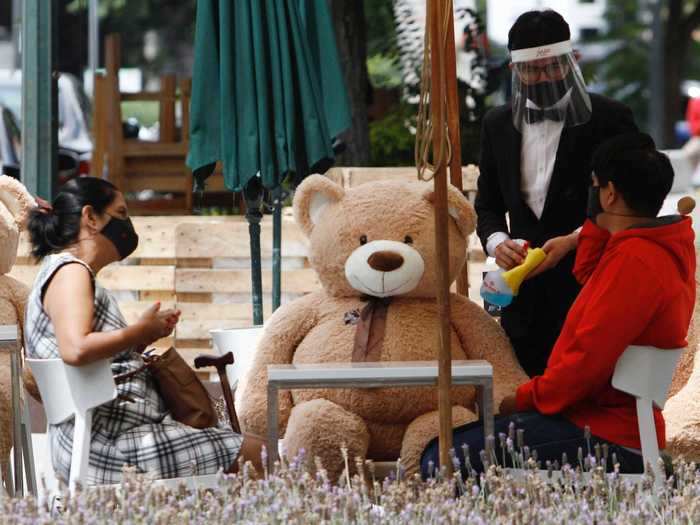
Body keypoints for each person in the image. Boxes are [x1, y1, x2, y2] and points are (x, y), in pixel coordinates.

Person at [422, 132, 695, 477]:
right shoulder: (652, 247)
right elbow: (588, 271)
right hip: (607, 422)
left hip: (606, 433)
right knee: (451, 445)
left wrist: (521, 400)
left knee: (442, 459)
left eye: (593, 187)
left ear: (609, 194)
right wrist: (580, 234)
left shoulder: (634, 262)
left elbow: (584, 362)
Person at [24, 177, 264, 485]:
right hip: (108, 446)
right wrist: (137, 332)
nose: (127, 225)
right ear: (91, 218)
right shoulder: (71, 273)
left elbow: (88, 353)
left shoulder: (67, 272)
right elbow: (76, 349)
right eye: (121, 213)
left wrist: (141, 338)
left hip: (108, 436)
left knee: (250, 451)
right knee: (260, 453)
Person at [474, 9, 638, 377]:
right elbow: (487, 205)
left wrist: (576, 239)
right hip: (524, 295)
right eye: (532, 70)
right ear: (515, 70)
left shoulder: (611, 117)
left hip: (594, 288)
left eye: (552, 67)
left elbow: (634, 200)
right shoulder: (497, 123)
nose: (543, 78)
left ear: (571, 61)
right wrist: (498, 241)